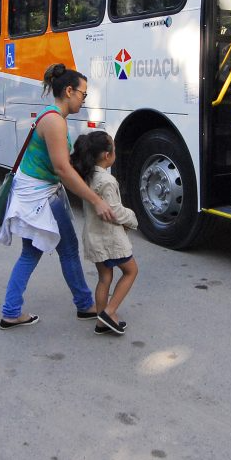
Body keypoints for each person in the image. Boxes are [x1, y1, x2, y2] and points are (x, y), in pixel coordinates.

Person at [0, 63, 116, 330]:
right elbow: (62, 169)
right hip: (42, 196)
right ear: (69, 91)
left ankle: (11, 310)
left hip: (36, 193)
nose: (84, 100)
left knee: (33, 252)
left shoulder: (52, 117)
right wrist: (96, 200)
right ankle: (84, 305)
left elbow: (61, 164)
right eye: (83, 94)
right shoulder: (54, 121)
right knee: (67, 249)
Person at [71, 131, 138, 336]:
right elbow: (115, 211)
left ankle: (101, 321)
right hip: (110, 239)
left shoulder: (87, 176)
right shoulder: (107, 181)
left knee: (104, 277)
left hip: (94, 237)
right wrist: (133, 217)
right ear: (107, 155)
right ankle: (109, 312)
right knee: (131, 271)